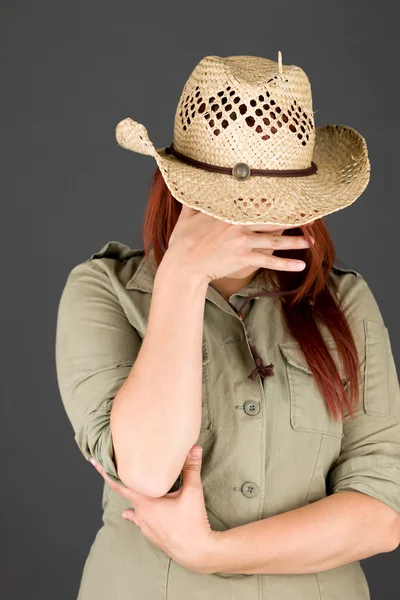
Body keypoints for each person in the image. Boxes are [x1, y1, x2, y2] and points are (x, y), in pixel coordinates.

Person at [55, 53, 400, 600]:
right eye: (228, 191)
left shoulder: (346, 303)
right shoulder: (102, 291)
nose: (249, 209)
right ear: (176, 185)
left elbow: (382, 510)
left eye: (272, 192)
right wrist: (183, 278)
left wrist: (212, 553)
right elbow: (145, 470)